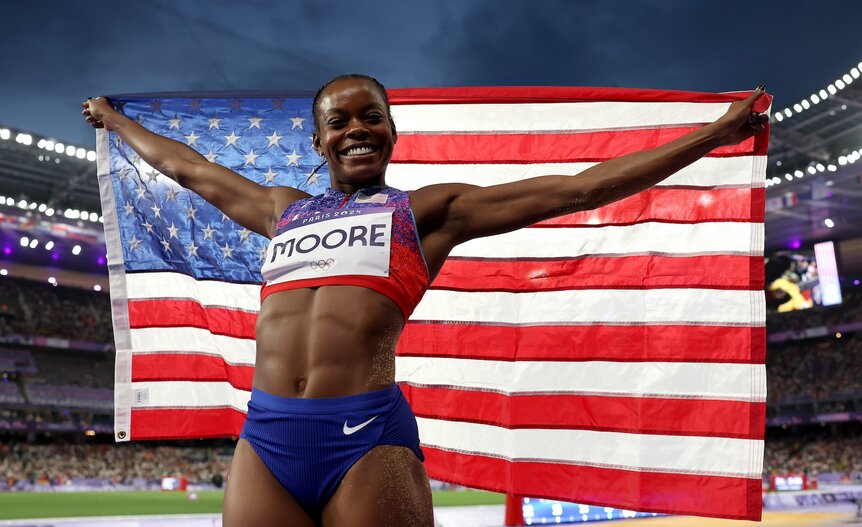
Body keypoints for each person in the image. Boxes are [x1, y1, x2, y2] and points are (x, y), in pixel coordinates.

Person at [83, 75, 768, 527]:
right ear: (317, 140)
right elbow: (187, 167)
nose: (356, 127)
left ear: (390, 132)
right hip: (266, 436)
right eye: (338, 119)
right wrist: (113, 120)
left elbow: (578, 189)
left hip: (365, 438)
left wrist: (713, 136)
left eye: (371, 116)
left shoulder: (429, 212)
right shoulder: (280, 210)